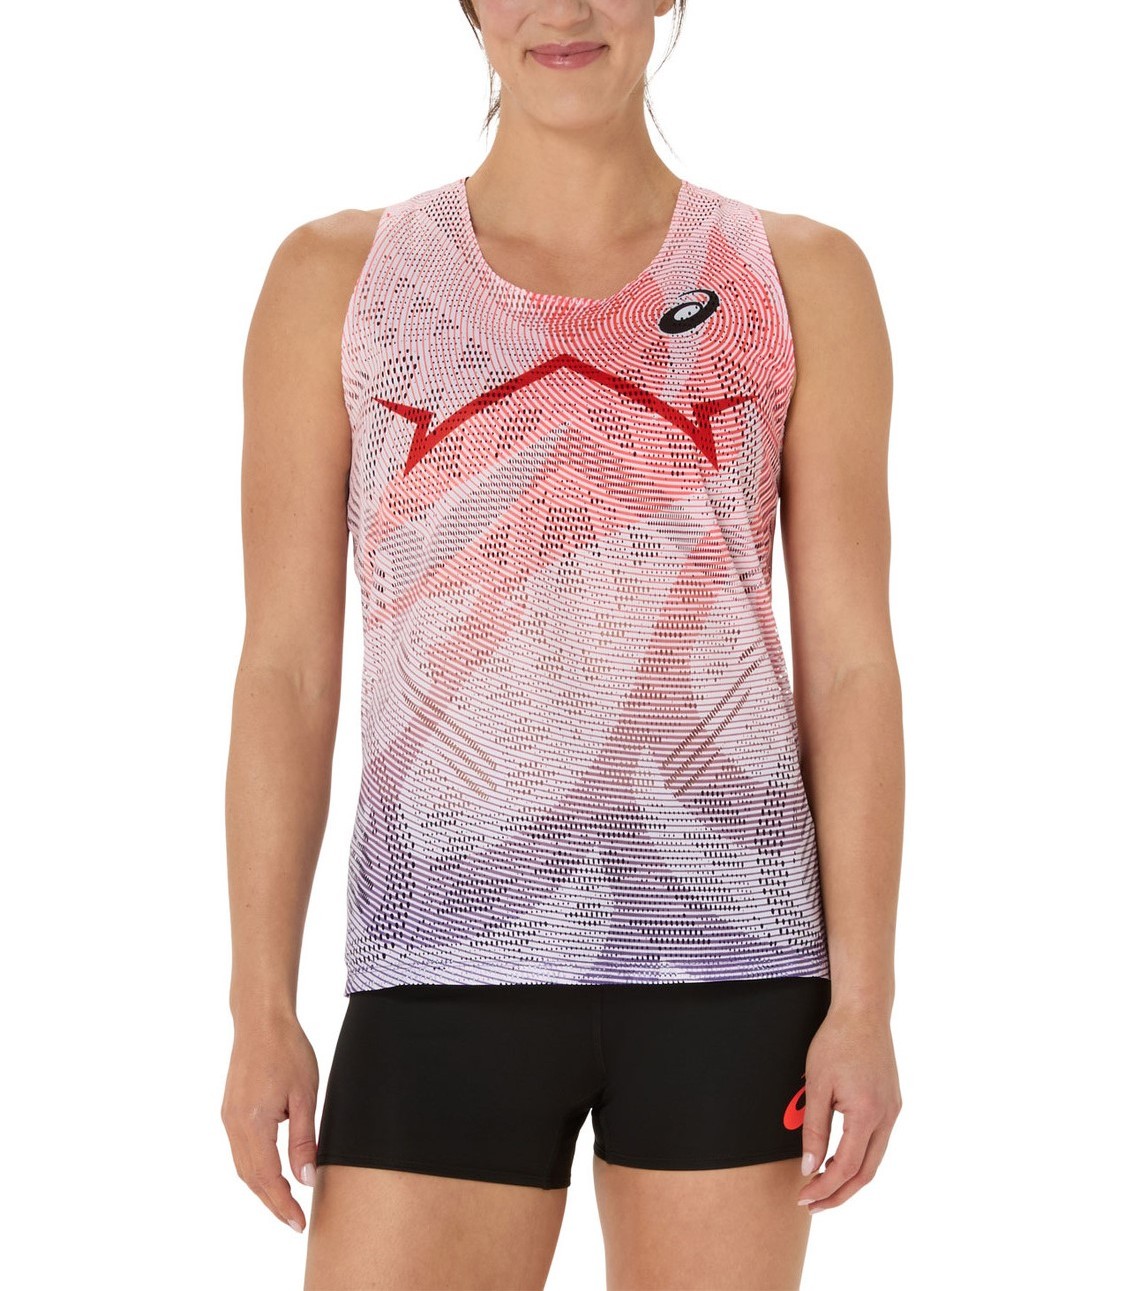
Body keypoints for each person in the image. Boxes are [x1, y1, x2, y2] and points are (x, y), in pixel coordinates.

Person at [221, 2, 904, 1287]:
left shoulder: (798, 275)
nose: (566, 9)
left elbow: (852, 663)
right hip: (439, 957)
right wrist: (261, 1004)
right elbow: (287, 672)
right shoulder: (339, 278)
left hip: (733, 963)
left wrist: (863, 1001)